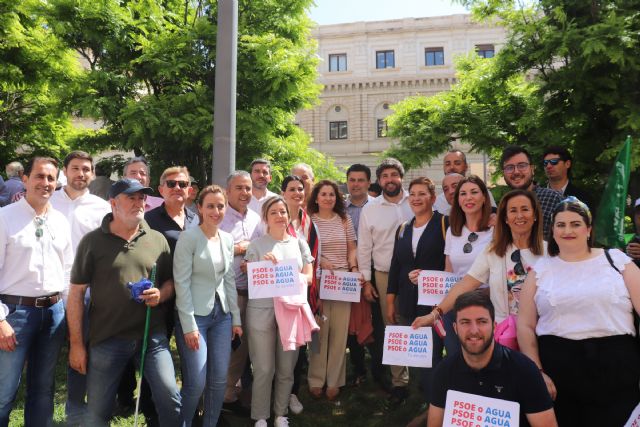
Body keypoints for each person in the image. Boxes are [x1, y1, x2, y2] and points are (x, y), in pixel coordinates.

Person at [67, 178, 181, 427]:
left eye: (142, 198)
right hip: (108, 337)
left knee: (170, 397)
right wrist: (77, 344)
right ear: (113, 204)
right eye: (131, 197)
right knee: (98, 410)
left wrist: (161, 294)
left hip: (152, 337)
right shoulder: (92, 242)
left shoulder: (157, 239)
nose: (139, 203)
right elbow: (76, 294)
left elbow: (171, 283)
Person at [517, 197, 640, 426]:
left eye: (575, 224)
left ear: (588, 229)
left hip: (617, 370)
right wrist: (537, 371)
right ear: (552, 230)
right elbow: (525, 325)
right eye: (561, 224)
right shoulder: (540, 271)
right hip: (559, 373)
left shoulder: (617, 260)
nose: (568, 230)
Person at [412, 190, 545, 346]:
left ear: (535, 215)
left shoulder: (549, 253)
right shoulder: (493, 252)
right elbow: (465, 284)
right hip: (505, 336)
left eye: (525, 209)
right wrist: (435, 314)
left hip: (541, 333)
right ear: (506, 218)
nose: (519, 215)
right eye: (513, 211)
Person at [0, 157, 73, 426]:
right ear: (25, 179)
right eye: (40, 177)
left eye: (51, 178)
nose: (45, 183)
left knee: (43, 390)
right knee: (4, 391)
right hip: (14, 314)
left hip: (53, 314)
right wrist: (0, 321)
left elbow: (67, 272)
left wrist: (67, 312)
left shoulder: (60, 221)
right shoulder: (5, 218)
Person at [428, 291, 557, 427]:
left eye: (482, 322)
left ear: (494, 327)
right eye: (465, 322)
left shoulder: (525, 371)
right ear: (455, 328)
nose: (474, 330)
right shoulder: (444, 371)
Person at [50, 151, 111, 425]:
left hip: (86, 292)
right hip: (49, 289)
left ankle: (74, 408)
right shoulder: (49, 202)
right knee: (46, 353)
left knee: (80, 348)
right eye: (75, 168)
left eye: (86, 169)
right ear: (66, 171)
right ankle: (40, 406)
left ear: (93, 174)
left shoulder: (102, 208)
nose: (81, 174)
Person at [173, 185, 242, 426]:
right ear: (200, 208)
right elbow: (181, 284)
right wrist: (189, 326)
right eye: (210, 206)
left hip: (221, 316)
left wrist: (236, 318)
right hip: (195, 319)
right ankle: (184, 422)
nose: (216, 211)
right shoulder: (188, 238)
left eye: (220, 206)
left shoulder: (227, 239)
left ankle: (210, 423)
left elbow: (229, 280)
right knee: (196, 382)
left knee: (219, 380)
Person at [245, 196, 314, 427]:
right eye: (273, 212)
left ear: (288, 214)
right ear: (266, 217)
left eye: (283, 211)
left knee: (286, 367)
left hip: (290, 310)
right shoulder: (256, 245)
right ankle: (261, 416)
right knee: (264, 368)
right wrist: (264, 266)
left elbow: (309, 276)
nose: (279, 216)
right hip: (261, 311)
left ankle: (280, 414)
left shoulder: (299, 243)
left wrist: (291, 275)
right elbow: (251, 276)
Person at [387, 177, 448, 408]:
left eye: (422, 193)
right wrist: (390, 300)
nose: (416, 198)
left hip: (435, 302)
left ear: (432, 198)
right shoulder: (403, 228)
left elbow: (450, 262)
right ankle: (420, 392)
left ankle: (434, 403)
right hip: (407, 300)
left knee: (432, 354)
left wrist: (429, 275)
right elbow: (396, 265)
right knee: (415, 352)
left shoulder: (445, 224)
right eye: (412, 194)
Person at [357, 158, 413, 402]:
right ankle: (399, 381)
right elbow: (364, 248)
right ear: (379, 181)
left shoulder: (417, 200)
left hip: (415, 275)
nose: (390, 180)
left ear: (401, 177)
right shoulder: (370, 208)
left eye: (394, 175)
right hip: (384, 275)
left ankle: (427, 375)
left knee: (418, 322)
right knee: (392, 326)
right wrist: (366, 281)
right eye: (385, 176)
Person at [306, 180, 358, 400]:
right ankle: (316, 378)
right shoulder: (309, 221)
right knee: (319, 332)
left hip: (343, 282)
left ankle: (335, 380)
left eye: (332, 194)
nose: (328, 198)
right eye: (323, 194)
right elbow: (306, 251)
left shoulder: (344, 219)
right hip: (319, 282)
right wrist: (321, 259)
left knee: (339, 334)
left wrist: (354, 268)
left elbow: (352, 247)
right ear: (316, 198)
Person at [220, 171, 263, 416]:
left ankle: (229, 395)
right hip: (229, 293)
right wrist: (239, 249)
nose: (244, 193)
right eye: (239, 188)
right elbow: (209, 250)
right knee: (226, 345)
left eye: (247, 188)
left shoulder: (257, 218)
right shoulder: (219, 216)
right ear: (228, 191)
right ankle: (218, 395)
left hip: (254, 292)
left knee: (243, 346)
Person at [280, 174, 319, 413]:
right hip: (276, 295)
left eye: (300, 189)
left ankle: (292, 393)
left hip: (302, 294)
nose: (297, 193)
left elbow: (313, 259)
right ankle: (273, 393)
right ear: (282, 193)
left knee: (297, 348)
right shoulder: (274, 218)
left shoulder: (309, 224)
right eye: (292, 189)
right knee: (277, 347)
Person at [442, 175, 494, 351]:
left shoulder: (497, 230)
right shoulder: (452, 230)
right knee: (455, 355)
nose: (468, 197)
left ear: (484, 197)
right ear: (457, 200)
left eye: (474, 192)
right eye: (463, 194)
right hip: (456, 304)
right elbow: (449, 270)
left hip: (487, 302)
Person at [344, 164, 381, 387]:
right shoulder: (340, 208)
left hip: (374, 271)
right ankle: (358, 369)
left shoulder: (379, 206)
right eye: (352, 180)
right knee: (351, 323)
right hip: (347, 273)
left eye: (360, 180)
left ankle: (379, 370)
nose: (356, 184)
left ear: (368, 182)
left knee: (376, 321)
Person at [500, 146, 562, 238]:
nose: (516, 172)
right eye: (509, 167)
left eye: (522, 166)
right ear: (503, 173)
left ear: (532, 169)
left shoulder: (553, 198)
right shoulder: (504, 204)